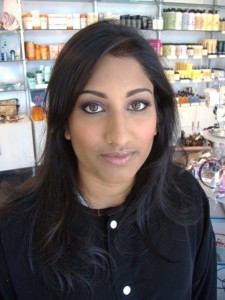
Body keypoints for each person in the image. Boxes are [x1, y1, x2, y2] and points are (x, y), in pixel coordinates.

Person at [0, 20, 216, 300]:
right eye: (93, 107)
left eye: (137, 105)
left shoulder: (187, 198)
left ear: (158, 120)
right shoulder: (14, 231)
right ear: (65, 123)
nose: (119, 136)